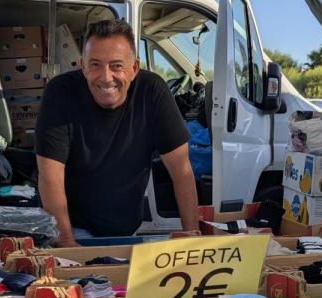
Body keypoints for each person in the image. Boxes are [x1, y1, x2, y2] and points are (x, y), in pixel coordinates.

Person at [35, 19, 199, 247]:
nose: (106, 77)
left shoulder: (153, 92)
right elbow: (49, 177)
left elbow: (181, 171)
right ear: (82, 65)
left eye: (116, 66)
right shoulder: (60, 93)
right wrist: (69, 247)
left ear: (134, 68)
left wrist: (192, 241)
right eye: (95, 65)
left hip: (126, 231)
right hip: (71, 228)